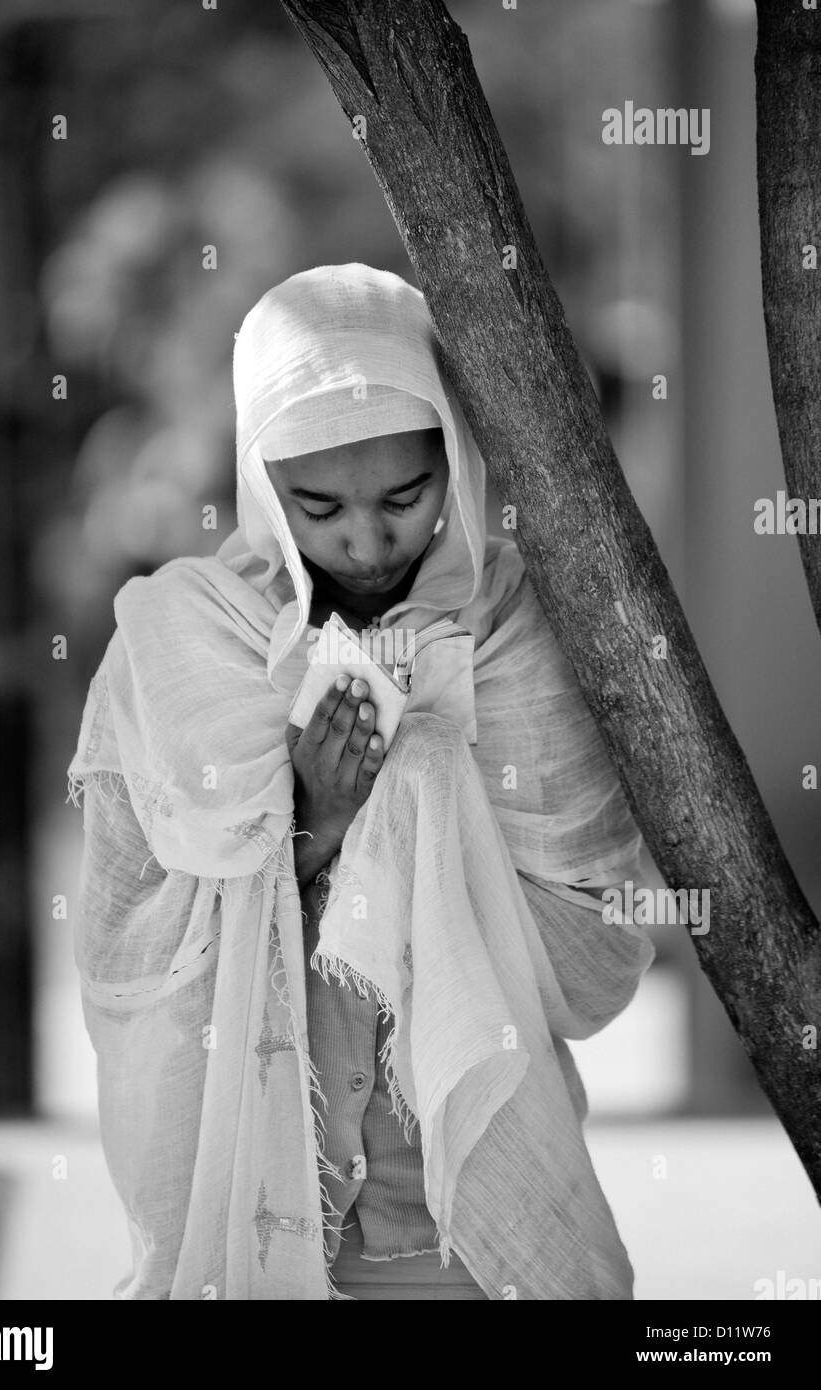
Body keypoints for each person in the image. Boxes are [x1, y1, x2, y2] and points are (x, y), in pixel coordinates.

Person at [67, 262, 655, 1300]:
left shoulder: (514, 631)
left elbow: (590, 939)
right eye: (317, 505)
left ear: (455, 462)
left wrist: (423, 787)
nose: (365, 540)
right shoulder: (191, 644)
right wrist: (310, 822)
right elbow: (135, 949)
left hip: (467, 1227)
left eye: (402, 496)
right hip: (264, 1207)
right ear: (259, 481)